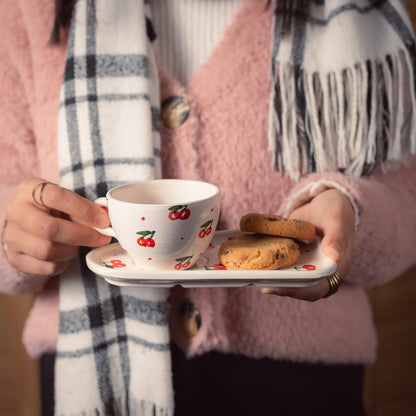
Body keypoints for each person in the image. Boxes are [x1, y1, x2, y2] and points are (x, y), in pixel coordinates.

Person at [1, 0, 415, 415]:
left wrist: (351, 212)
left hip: (304, 382)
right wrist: (14, 235)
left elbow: (406, 199)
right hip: (97, 374)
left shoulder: (359, 13)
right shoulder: (29, 9)